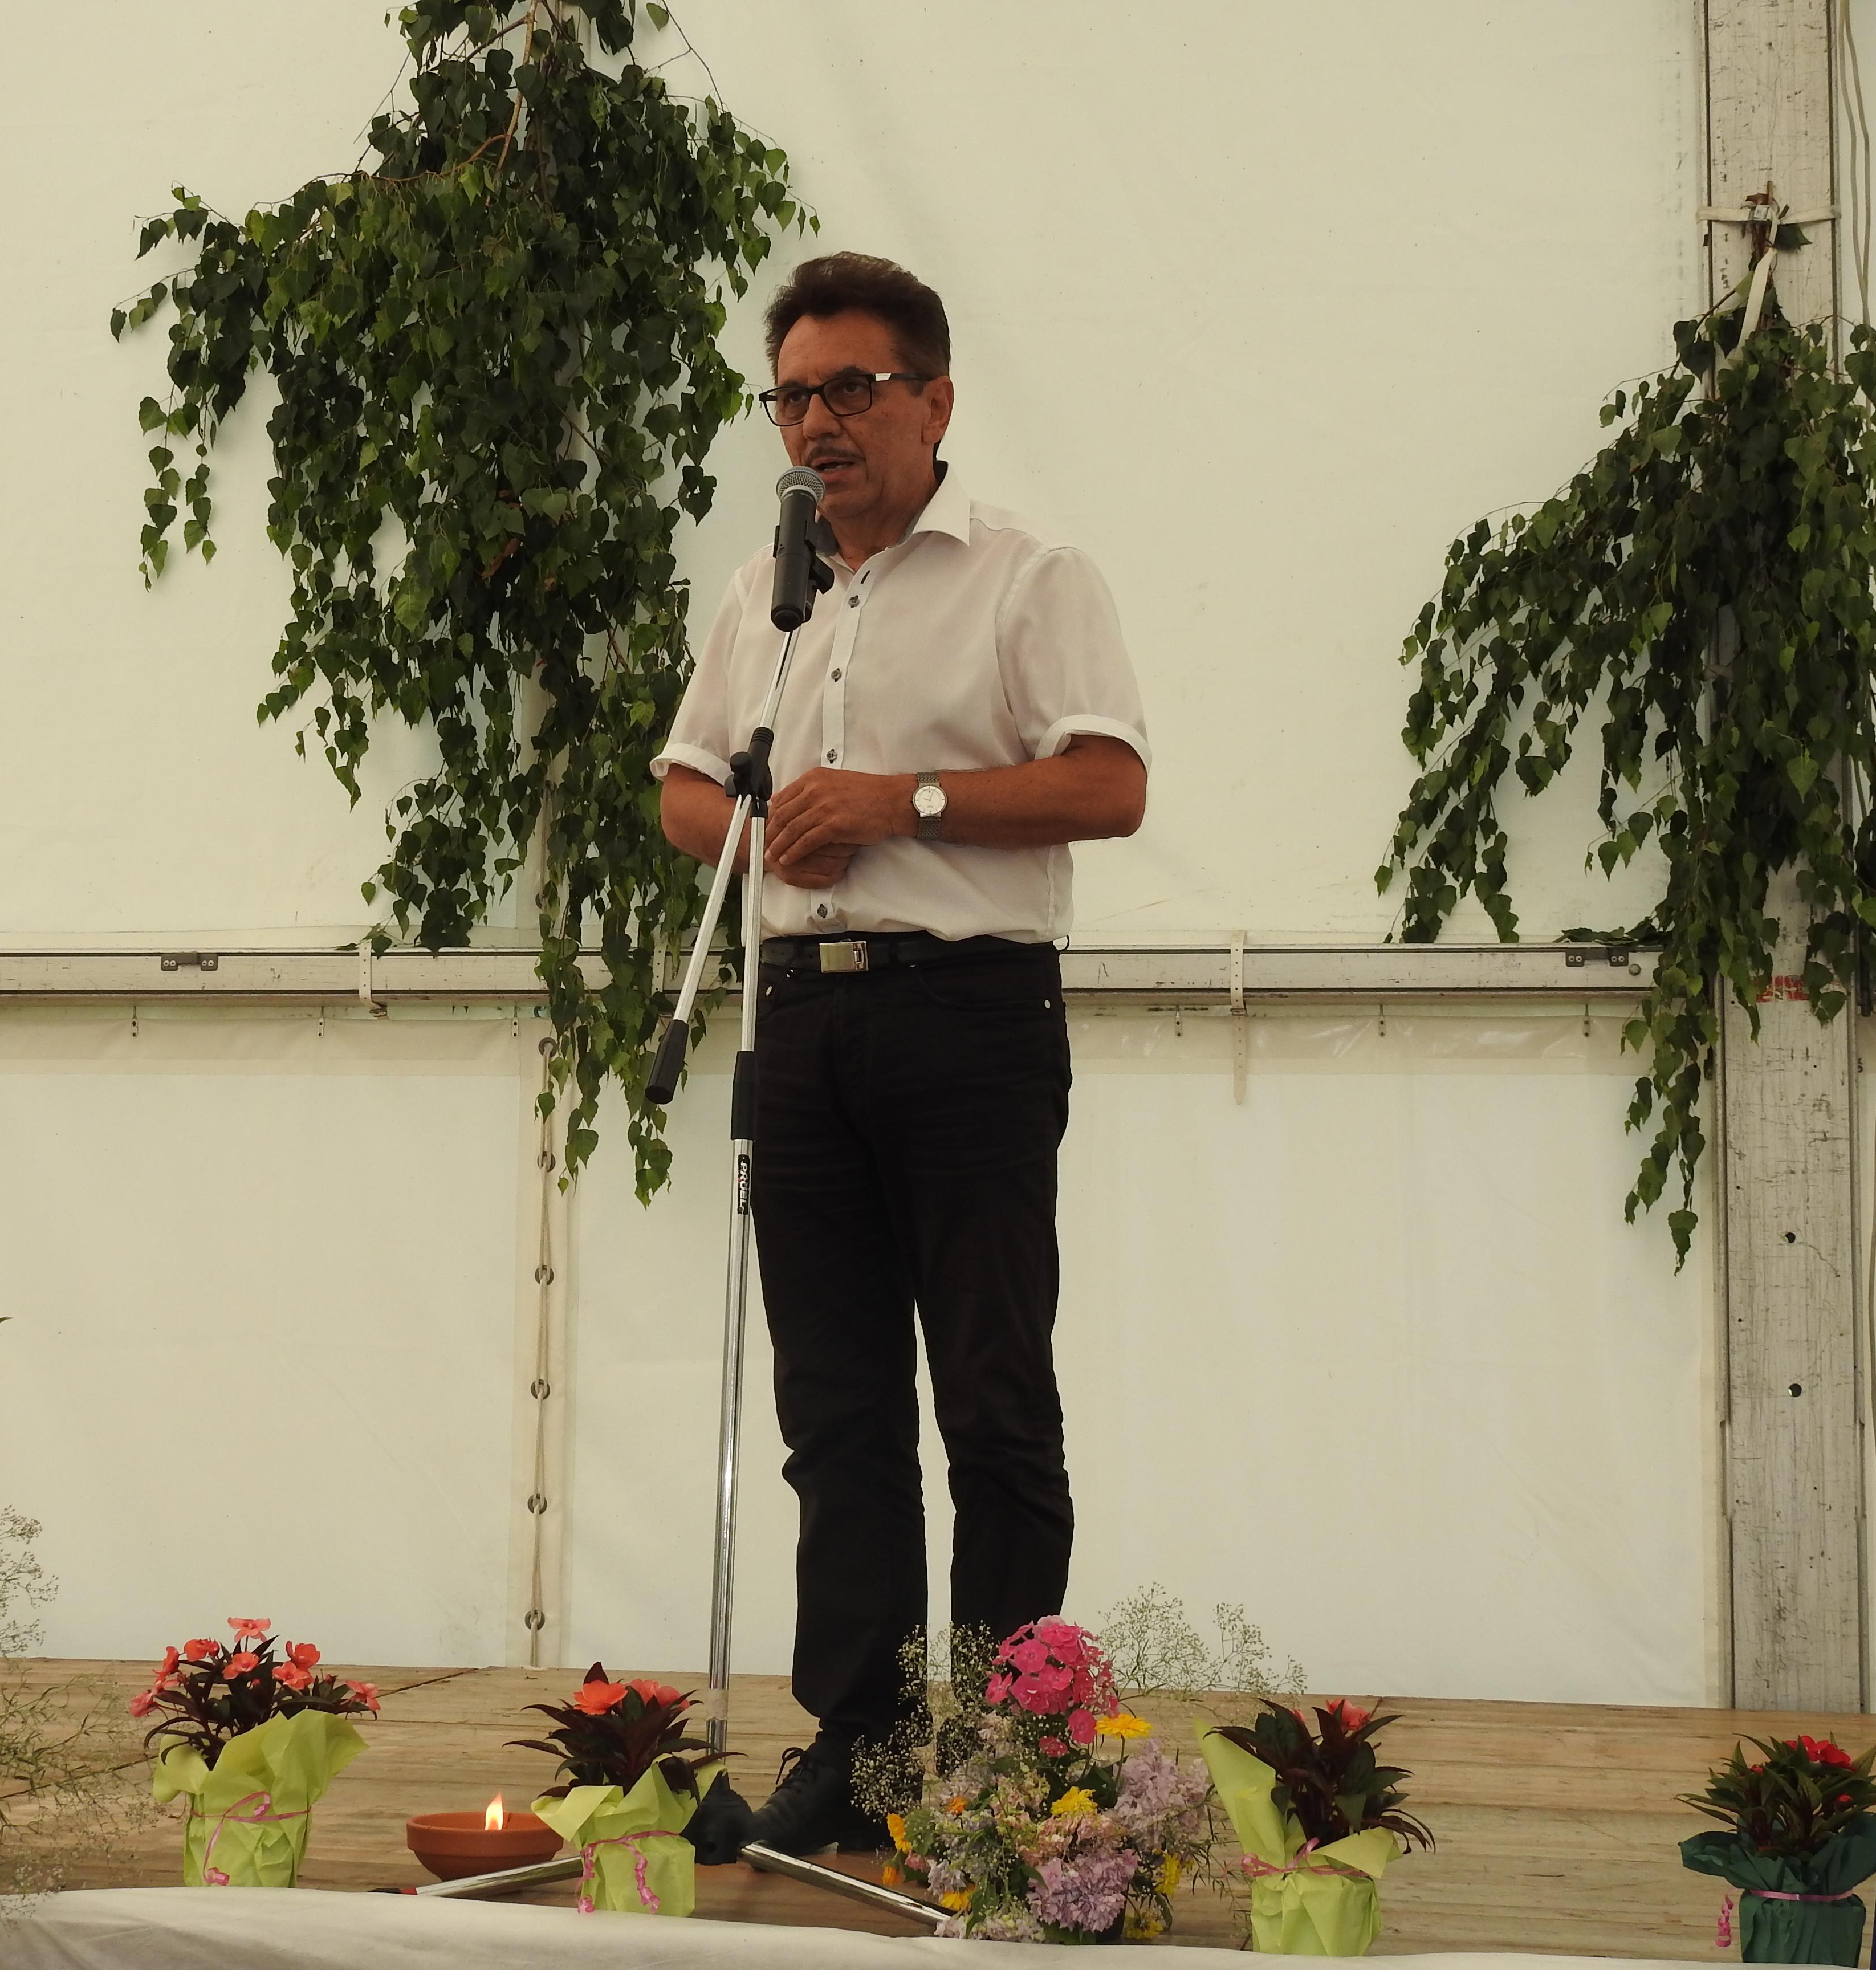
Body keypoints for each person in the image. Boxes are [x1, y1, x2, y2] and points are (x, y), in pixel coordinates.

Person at [651, 253, 1150, 1857]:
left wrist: (903, 803)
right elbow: (684, 789)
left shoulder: (1028, 575)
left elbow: (1110, 784)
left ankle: (1008, 1751)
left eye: (852, 389)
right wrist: (768, 830)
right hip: (800, 1016)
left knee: (993, 1398)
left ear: (934, 400)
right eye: (792, 396)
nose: (819, 423)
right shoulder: (767, 589)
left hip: (968, 1012)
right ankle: (860, 1748)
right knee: (838, 1412)